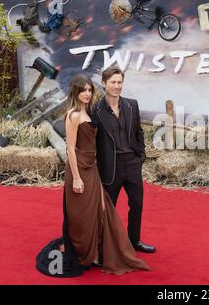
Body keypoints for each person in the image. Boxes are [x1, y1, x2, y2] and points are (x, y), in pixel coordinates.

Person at [36, 74, 150, 277]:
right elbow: (70, 149)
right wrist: (77, 177)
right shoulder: (74, 114)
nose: (87, 93)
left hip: (93, 166)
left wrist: (140, 154)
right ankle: (87, 253)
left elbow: (131, 132)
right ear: (75, 92)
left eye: (89, 90)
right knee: (84, 213)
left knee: (100, 209)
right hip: (80, 167)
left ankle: (101, 250)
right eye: (83, 90)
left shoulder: (89, 111)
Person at [92, 66, 156, 253]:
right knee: (107, 208)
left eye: (120, 82)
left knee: (137, 204)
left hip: (133, 163)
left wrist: (141, 154)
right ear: (104, 83)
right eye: (113, 82)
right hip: (110, 166)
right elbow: (91, 140)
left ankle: (134, 241)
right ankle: (104, 244)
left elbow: (138, 131)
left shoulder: (131, 105)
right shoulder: (95, 110)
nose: (117, 86)